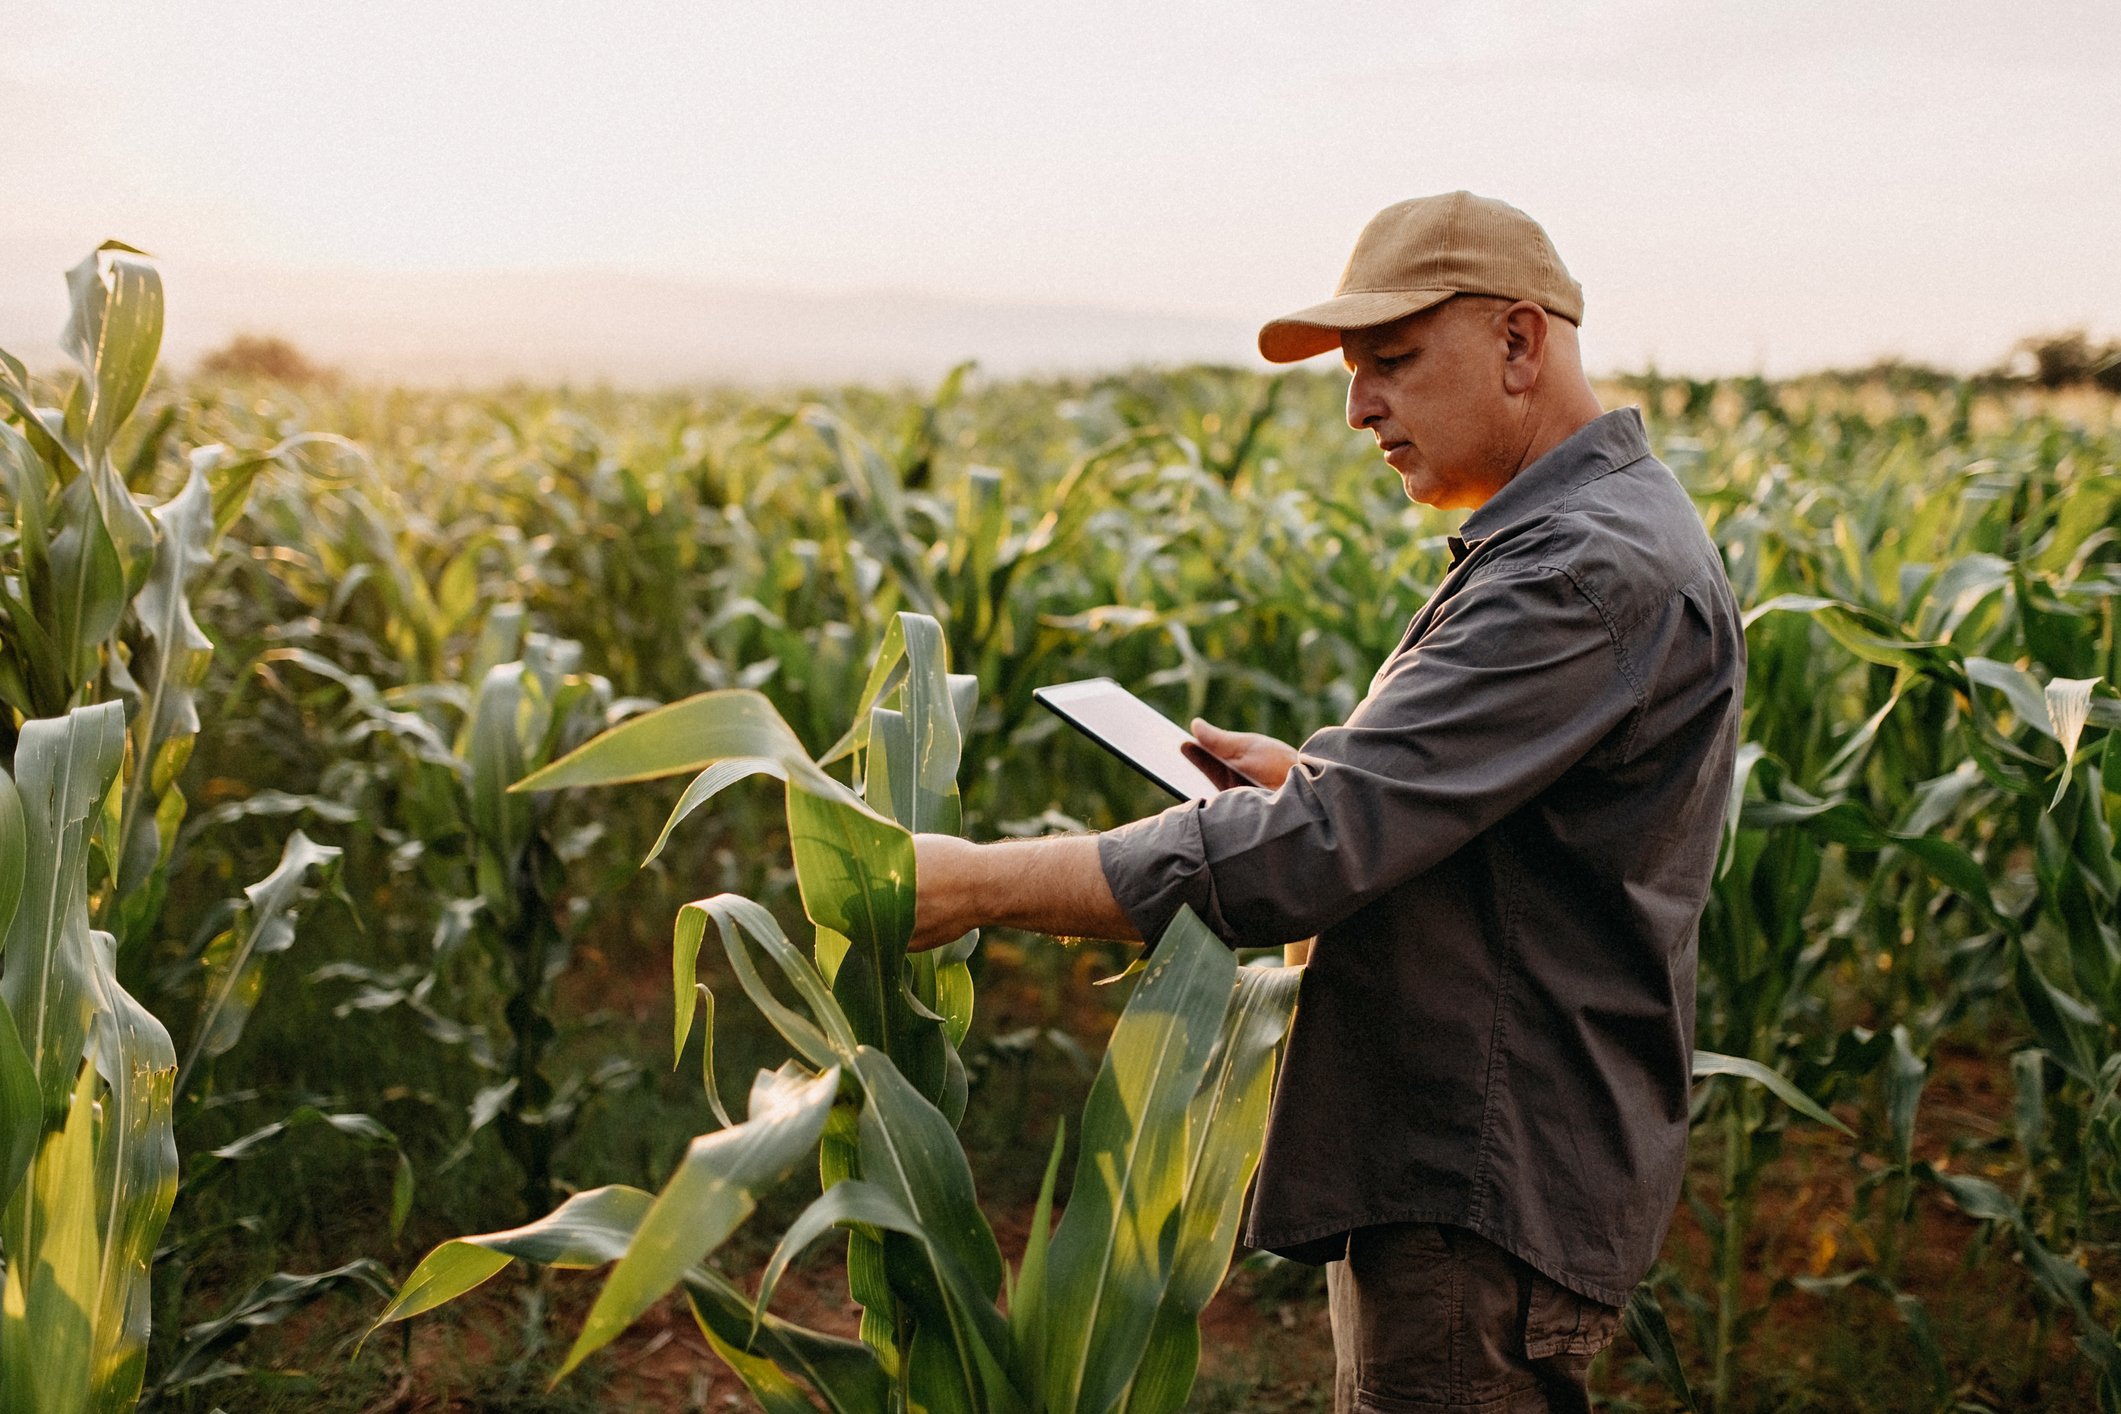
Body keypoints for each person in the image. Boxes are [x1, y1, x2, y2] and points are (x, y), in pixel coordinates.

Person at [909, 191, 1745, 1414]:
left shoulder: (1577, 570)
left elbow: (1301, 862)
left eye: (1392, 363)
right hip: (1474, 1156)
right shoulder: (1581, 537)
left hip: (1476, 1175)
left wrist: (971, 883)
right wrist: (1317, 782)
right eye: (1357, 373)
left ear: (1521, 343)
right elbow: (1492, 830)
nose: (1359, 407)